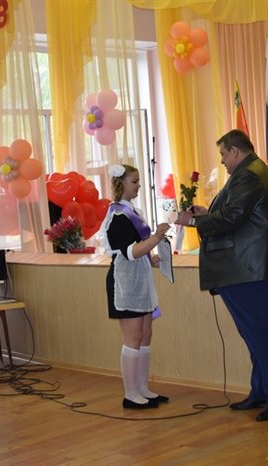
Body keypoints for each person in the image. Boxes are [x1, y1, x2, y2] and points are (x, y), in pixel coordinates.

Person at [176, 129, 268, 422]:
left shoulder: (249, 175)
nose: (221, 161)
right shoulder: (252, 171)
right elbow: (238, 214)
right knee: (254, 333)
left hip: (253, 269)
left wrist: (193, 221)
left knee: (259, 333)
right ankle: (262, 391)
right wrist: (205, 214)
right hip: (255, 267)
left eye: (223, 154)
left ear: (235, 151)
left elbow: (232, 218)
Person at [101, 164, 171, 409]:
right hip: (125, 283)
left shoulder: (132, 212)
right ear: (121, 184)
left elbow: (139, 250)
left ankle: (142, 388)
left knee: (145, 335)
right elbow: (129, 252)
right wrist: (156, 238)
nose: (139, 186)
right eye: (134, 182)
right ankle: (131, 394)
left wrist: (151, 259)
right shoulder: (118, 216)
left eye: (139, 181)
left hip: (139, 280)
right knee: (132, 338)